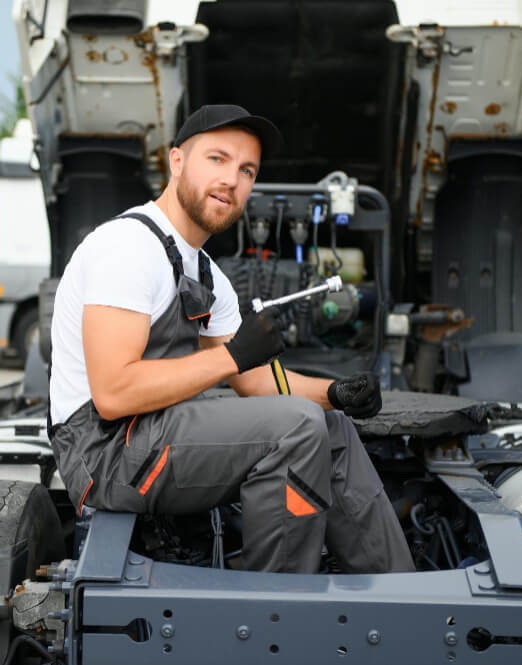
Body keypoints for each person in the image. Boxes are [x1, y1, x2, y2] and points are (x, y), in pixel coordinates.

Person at [48, 104, 414, 574]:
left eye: (246, 170)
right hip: (104, 453)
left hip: (153, 434)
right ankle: (278, 612)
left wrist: (335, 393)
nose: (232, 180)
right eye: (217, 160)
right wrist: (232, 356)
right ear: (176, 161)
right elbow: (114, 394)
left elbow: (257, 381)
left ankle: (402, 592)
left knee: (329, 426)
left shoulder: (205, 271)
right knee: (297, 428)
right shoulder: (127, 249)